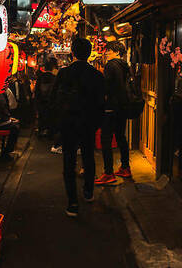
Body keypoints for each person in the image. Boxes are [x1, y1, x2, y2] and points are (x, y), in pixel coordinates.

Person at [50, 38, 104, 217]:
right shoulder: (96, 75)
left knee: (69, 161)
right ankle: (88, 192)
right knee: (88, 157)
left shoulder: (64, 73)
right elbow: (101, 102)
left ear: (72, 52)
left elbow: (53, 99)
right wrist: (97, 122)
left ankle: (72, 202)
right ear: (89, 54)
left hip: (68, 123)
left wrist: (57, 122)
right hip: (88, 123)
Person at [96, 41, 132, 185]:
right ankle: (125, 167)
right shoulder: (124, 66)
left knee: (106, 139)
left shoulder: (111, 65)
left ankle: (108, 173)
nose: (107, 53)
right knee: (121, 137)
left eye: (109, 50)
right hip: (122, 107)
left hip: (110, 107)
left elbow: (106, 86)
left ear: (117, 52)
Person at [35, 57, 60, 152]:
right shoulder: (54, 78)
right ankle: (50, 134)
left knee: (42, 117)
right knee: (51, 118)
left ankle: (41, 132)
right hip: (51, 103)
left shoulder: (40, 77)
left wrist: (37, 103)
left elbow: (37, 91)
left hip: (41, 102)